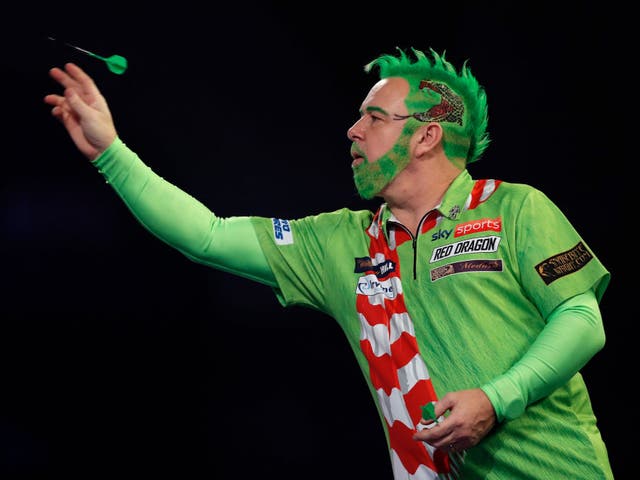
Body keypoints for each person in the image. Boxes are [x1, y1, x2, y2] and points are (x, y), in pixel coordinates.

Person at [44, 47, 613, 479]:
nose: (353, 130)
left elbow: (582, 320)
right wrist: (110, 155)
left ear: (426, 137)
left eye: (375, 117)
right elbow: (209, 236)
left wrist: (495, 398)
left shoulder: (515, 207)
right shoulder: (342, 244)